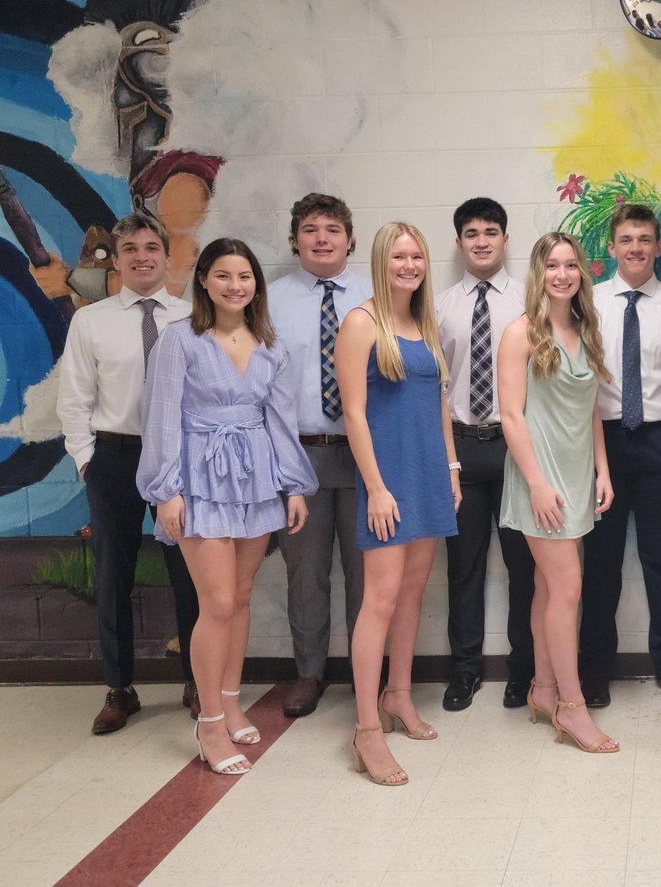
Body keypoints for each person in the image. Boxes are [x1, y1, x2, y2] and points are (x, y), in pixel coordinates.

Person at [138, 238, 317, 774]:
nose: (235, 285)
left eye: (244, 276)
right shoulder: (180, 340)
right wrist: (165, 489)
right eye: (223, 275)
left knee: (239, 599)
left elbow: (280, 420)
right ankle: (209, 721)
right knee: (215, 603)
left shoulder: (270, 345)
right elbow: (160, 416)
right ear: (204, 282)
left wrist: (294, 485)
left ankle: (233, 698)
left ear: (255, 285)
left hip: (257, 478)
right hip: (198, 479)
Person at [56, 212, 200, 735]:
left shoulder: (191, 318)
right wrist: (87, 458)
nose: (142, 256)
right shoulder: (90, 322)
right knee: (113, 575)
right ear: (115, 261)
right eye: (130, 249)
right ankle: (120, 688)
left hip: (178, 459)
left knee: (189, 575)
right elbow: (74, 398)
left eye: (151, 247)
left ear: (166, 256)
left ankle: (197, 681)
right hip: (114, 457)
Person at [335, 222, 460, 786]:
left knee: (412, 593)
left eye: (417, 256)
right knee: (379, 600)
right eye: (399, 256)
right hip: (387, 478)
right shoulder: (362, 323)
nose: (409, 265)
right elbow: (354, 413)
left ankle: (399, 695)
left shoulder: (423, 323)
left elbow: (439, 405)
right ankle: (366, 729)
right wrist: (377, 487)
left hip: (430, 472)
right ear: (382, 261)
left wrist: (452, 470)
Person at [497, 232, 618, 754]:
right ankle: (573, 708)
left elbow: (590, 408)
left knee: (551, 589)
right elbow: (511, 415)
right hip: (538, 480)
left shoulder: (586, 330)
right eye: (552, 265)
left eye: (571, 265)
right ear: (538, 272)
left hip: (575, 476)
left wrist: (603, 471)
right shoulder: (520, 333)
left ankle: (543, 690)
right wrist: (538, 485)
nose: (562, 274)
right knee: (568, 589)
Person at [580, 204, 661, 711]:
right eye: (626, 239)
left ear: (659, 246)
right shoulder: (588, 302)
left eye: (645, 239)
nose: (636, 248)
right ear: (611, 246)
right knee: (600, 566)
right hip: (601, 443)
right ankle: (595, 671)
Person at [268, 193, 371, 718]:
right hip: (299, 457)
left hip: (364, 458)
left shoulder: (377, 293)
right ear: (295, 239)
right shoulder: (270, 300)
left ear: (350, 238)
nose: (322, 238)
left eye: (333, 228)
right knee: (305, 573)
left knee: (365, 572)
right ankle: (308, 672)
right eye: (311, 229)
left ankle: (364, 672)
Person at [435, 198, 535, 712]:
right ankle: (466, 672)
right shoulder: (440, 305)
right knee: (464, 569)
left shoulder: (528, 301)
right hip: (461, 454)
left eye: (491, 232)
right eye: (471, 233)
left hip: (515, 450)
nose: (481, 241)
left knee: (525, 568)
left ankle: (524, 672)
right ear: (458, 242)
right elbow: (436, 386)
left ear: (505, 238)